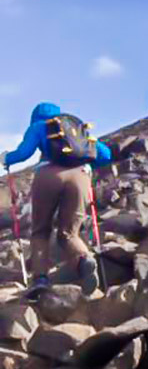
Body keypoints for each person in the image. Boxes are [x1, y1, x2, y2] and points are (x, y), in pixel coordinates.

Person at [3, 103, 113, 293]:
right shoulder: (75, 128)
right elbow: (105, 155)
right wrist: (86, 167)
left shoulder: (39, 126)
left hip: (48, 175)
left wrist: (6, 158)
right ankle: (84, 259)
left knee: (41, 231)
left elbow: (24, 153)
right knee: (69, 232)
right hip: (80, 176)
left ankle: (40, 280)